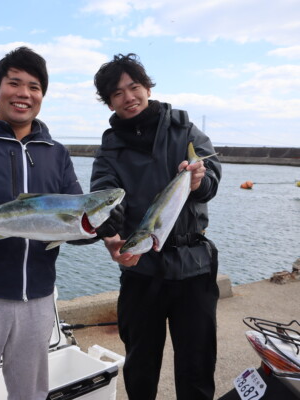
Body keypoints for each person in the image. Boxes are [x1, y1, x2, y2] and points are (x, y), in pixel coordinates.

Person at [0, 46, 123, 400]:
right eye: (14, 83)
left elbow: (76, 227)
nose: (24, 94)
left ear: (42, 96)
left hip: (37, 297)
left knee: (31, 392)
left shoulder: (56, 153)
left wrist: (98, 226)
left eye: (34, 87)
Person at [90, 53, 222, 399]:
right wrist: (111, 233)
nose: (128, 97)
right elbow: (102, 194)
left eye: (134, 87)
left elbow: (213, 181)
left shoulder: (186, 131)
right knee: (140, 366)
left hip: (193, 267)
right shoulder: (109, 149)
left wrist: (197, 182)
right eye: (117, 94)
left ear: (147, 87)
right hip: (141, 271)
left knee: (197, 367)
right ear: (109, 102)